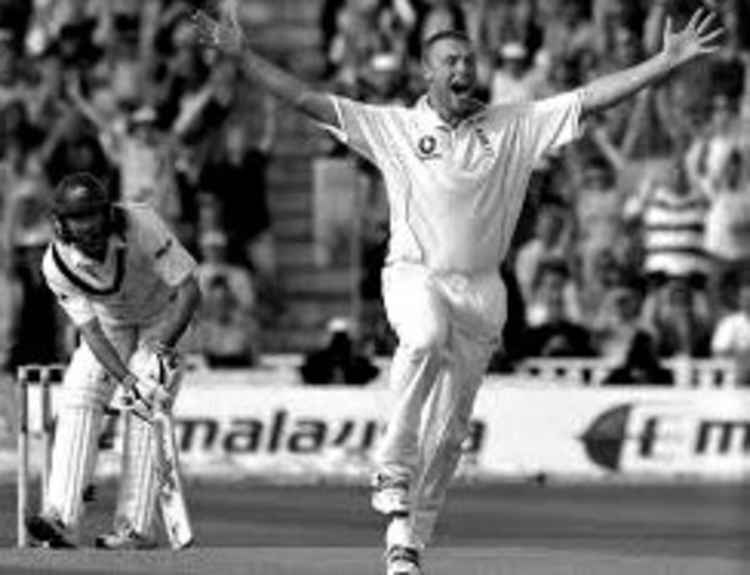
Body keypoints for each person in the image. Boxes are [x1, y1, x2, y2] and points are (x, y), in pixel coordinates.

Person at [193, 7, 722, 574]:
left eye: (469, 59)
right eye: (450, 60)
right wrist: (242, 56)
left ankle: (407, 543)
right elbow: (307, 100)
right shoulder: (394, 127)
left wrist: (664, 62)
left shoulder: (514, 124)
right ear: (427, 72)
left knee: (447, 437)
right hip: (415, 274)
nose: (464, 67)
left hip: (483, 290)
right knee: (421, 338)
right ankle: (392, 466)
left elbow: (593, 98)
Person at [26, 172, 201, 549]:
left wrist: (161, 354)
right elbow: (90, 333)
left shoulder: (142, 223)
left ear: (106, 212)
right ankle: (61, 519)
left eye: (92, 215)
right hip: (111, 324)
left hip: (163, 317)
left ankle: (135, 529)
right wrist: (125, 380)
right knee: (79, 392)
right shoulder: (56, 264)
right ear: (61, 221)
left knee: (144, 407)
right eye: (77, 218)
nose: (87, 225)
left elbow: (189, 290)